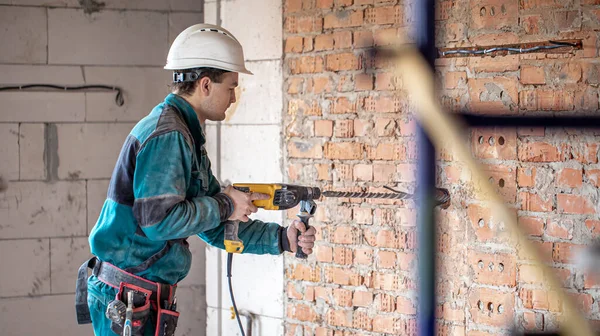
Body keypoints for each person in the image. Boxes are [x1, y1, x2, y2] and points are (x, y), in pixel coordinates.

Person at [75, 23, 316, 336]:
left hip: (141, 293)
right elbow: (159, 222)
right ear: (205, 85)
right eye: (231, 87)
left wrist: (283, 238)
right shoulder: (169, 135)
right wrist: (226, 203)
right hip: (127, 296)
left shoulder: (186, 136)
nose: (233, 97)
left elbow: (214, 225)